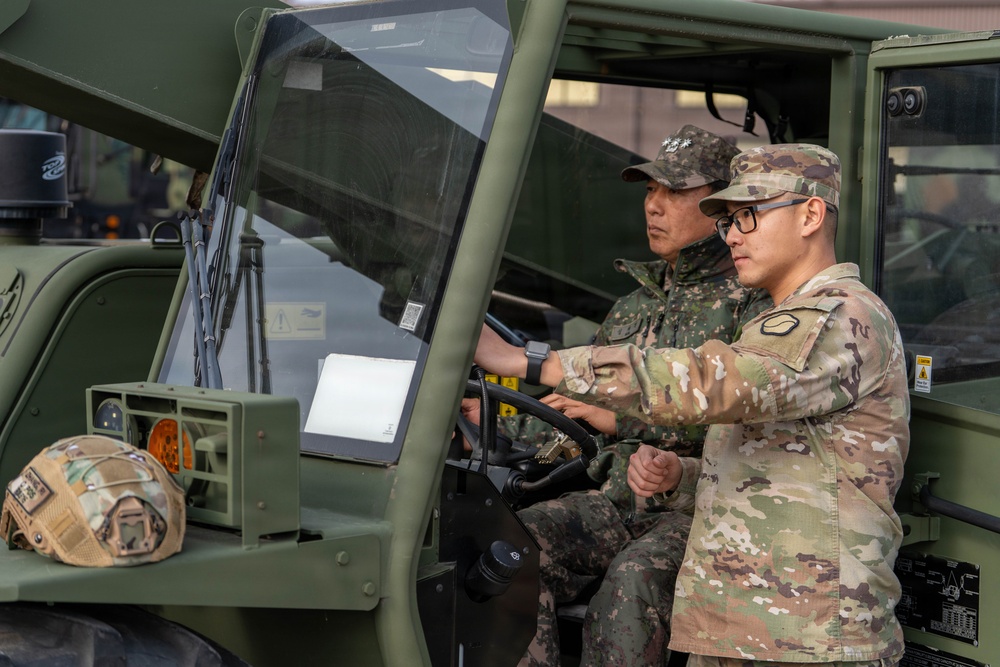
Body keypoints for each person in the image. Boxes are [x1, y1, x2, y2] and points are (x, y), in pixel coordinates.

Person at [474, 144, 909, 667]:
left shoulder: (840, 316)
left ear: (811, 215)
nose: (733, 236)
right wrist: (681, 476)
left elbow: (711, 382)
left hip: (809, 639)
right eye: (728, 222)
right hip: (746, 628)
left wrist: (530, 361)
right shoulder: (778, 322)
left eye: (748, 215)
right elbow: (778, 465)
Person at [467, 125, 771, 667]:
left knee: (632, 585)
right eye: (650, 190)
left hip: (701, 509)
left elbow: (749, 419)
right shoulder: (632, 307)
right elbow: (575, 410)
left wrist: (623, 422)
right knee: (513, 547)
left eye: (674, 191)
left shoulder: (754, 305)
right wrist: (489, 420)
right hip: (614, 499)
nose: (653, 205)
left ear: (722, 205)